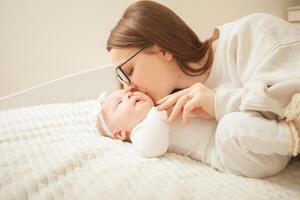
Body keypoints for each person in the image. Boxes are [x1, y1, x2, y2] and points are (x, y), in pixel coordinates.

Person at [106, 0, 300, 177]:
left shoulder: (251, 34)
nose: (129, 88)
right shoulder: (173, 116)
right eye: (121, 79)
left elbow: (293, 108)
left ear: (163, 50)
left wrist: (217, 102)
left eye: (128, 71)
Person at [95, 89, 217, 161]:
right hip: (215, 148)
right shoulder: (140, 131)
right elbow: (152, 148)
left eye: (130, 91)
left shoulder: (159, 106)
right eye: (120, 102)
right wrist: (158, 111)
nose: (129, 94)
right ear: (120, 133)